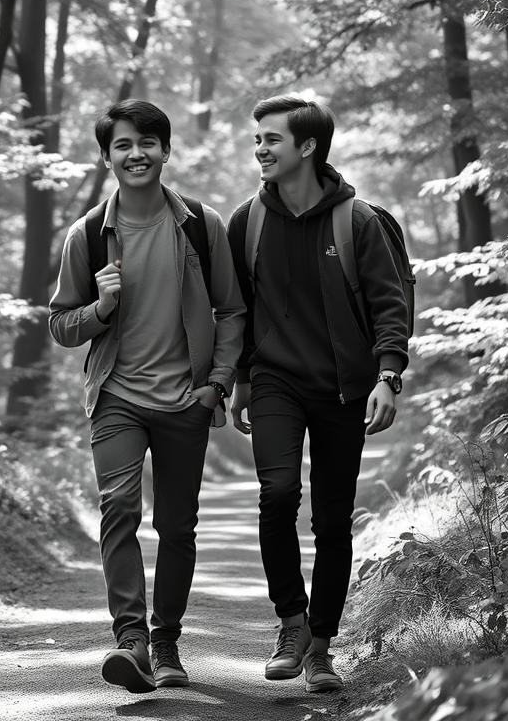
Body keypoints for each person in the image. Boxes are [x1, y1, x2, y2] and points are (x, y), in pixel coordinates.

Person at [48, 99, 245, 694]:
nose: (137, 154)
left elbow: (232, 310)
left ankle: (166, 641)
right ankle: (130, 641)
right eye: (123, 145)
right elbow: (60, 325)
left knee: (178, 526)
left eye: (148, 143)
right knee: (119, 511)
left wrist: (216, 386)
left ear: (165, 149)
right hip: (117, 397)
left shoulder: (201, 226)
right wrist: (100, 308)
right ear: (106, 156)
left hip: (187, 399)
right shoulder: (86, 234)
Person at [226, 94, 409, 694]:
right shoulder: (245, 221)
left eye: (271, 139)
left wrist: (387, 375)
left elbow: (389, 303)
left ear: (307, 147)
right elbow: (238, 311)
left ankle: (323, 648)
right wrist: (240, 380)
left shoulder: (358, 221)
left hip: (342, 386)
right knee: (277, 493)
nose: (260, 150)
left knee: (332, 520)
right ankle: (292, 623)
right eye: (257, 139)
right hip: (276, 379)